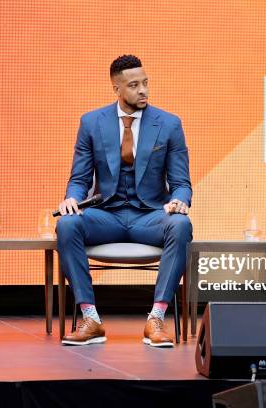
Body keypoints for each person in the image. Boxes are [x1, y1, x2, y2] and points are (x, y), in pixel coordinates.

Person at [56, 55, 192, 347]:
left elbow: (181, 183)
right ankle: (90, 318)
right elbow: (80, 178)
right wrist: (72, 199)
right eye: (134, 85)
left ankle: (155, 318)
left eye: (145, 82)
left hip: (150, 217)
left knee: (180, 225)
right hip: (107, 215)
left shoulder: (168, 124)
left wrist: (179, 201)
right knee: (67, 225)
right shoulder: (92, 122)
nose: (143, 90)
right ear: (116, 89)